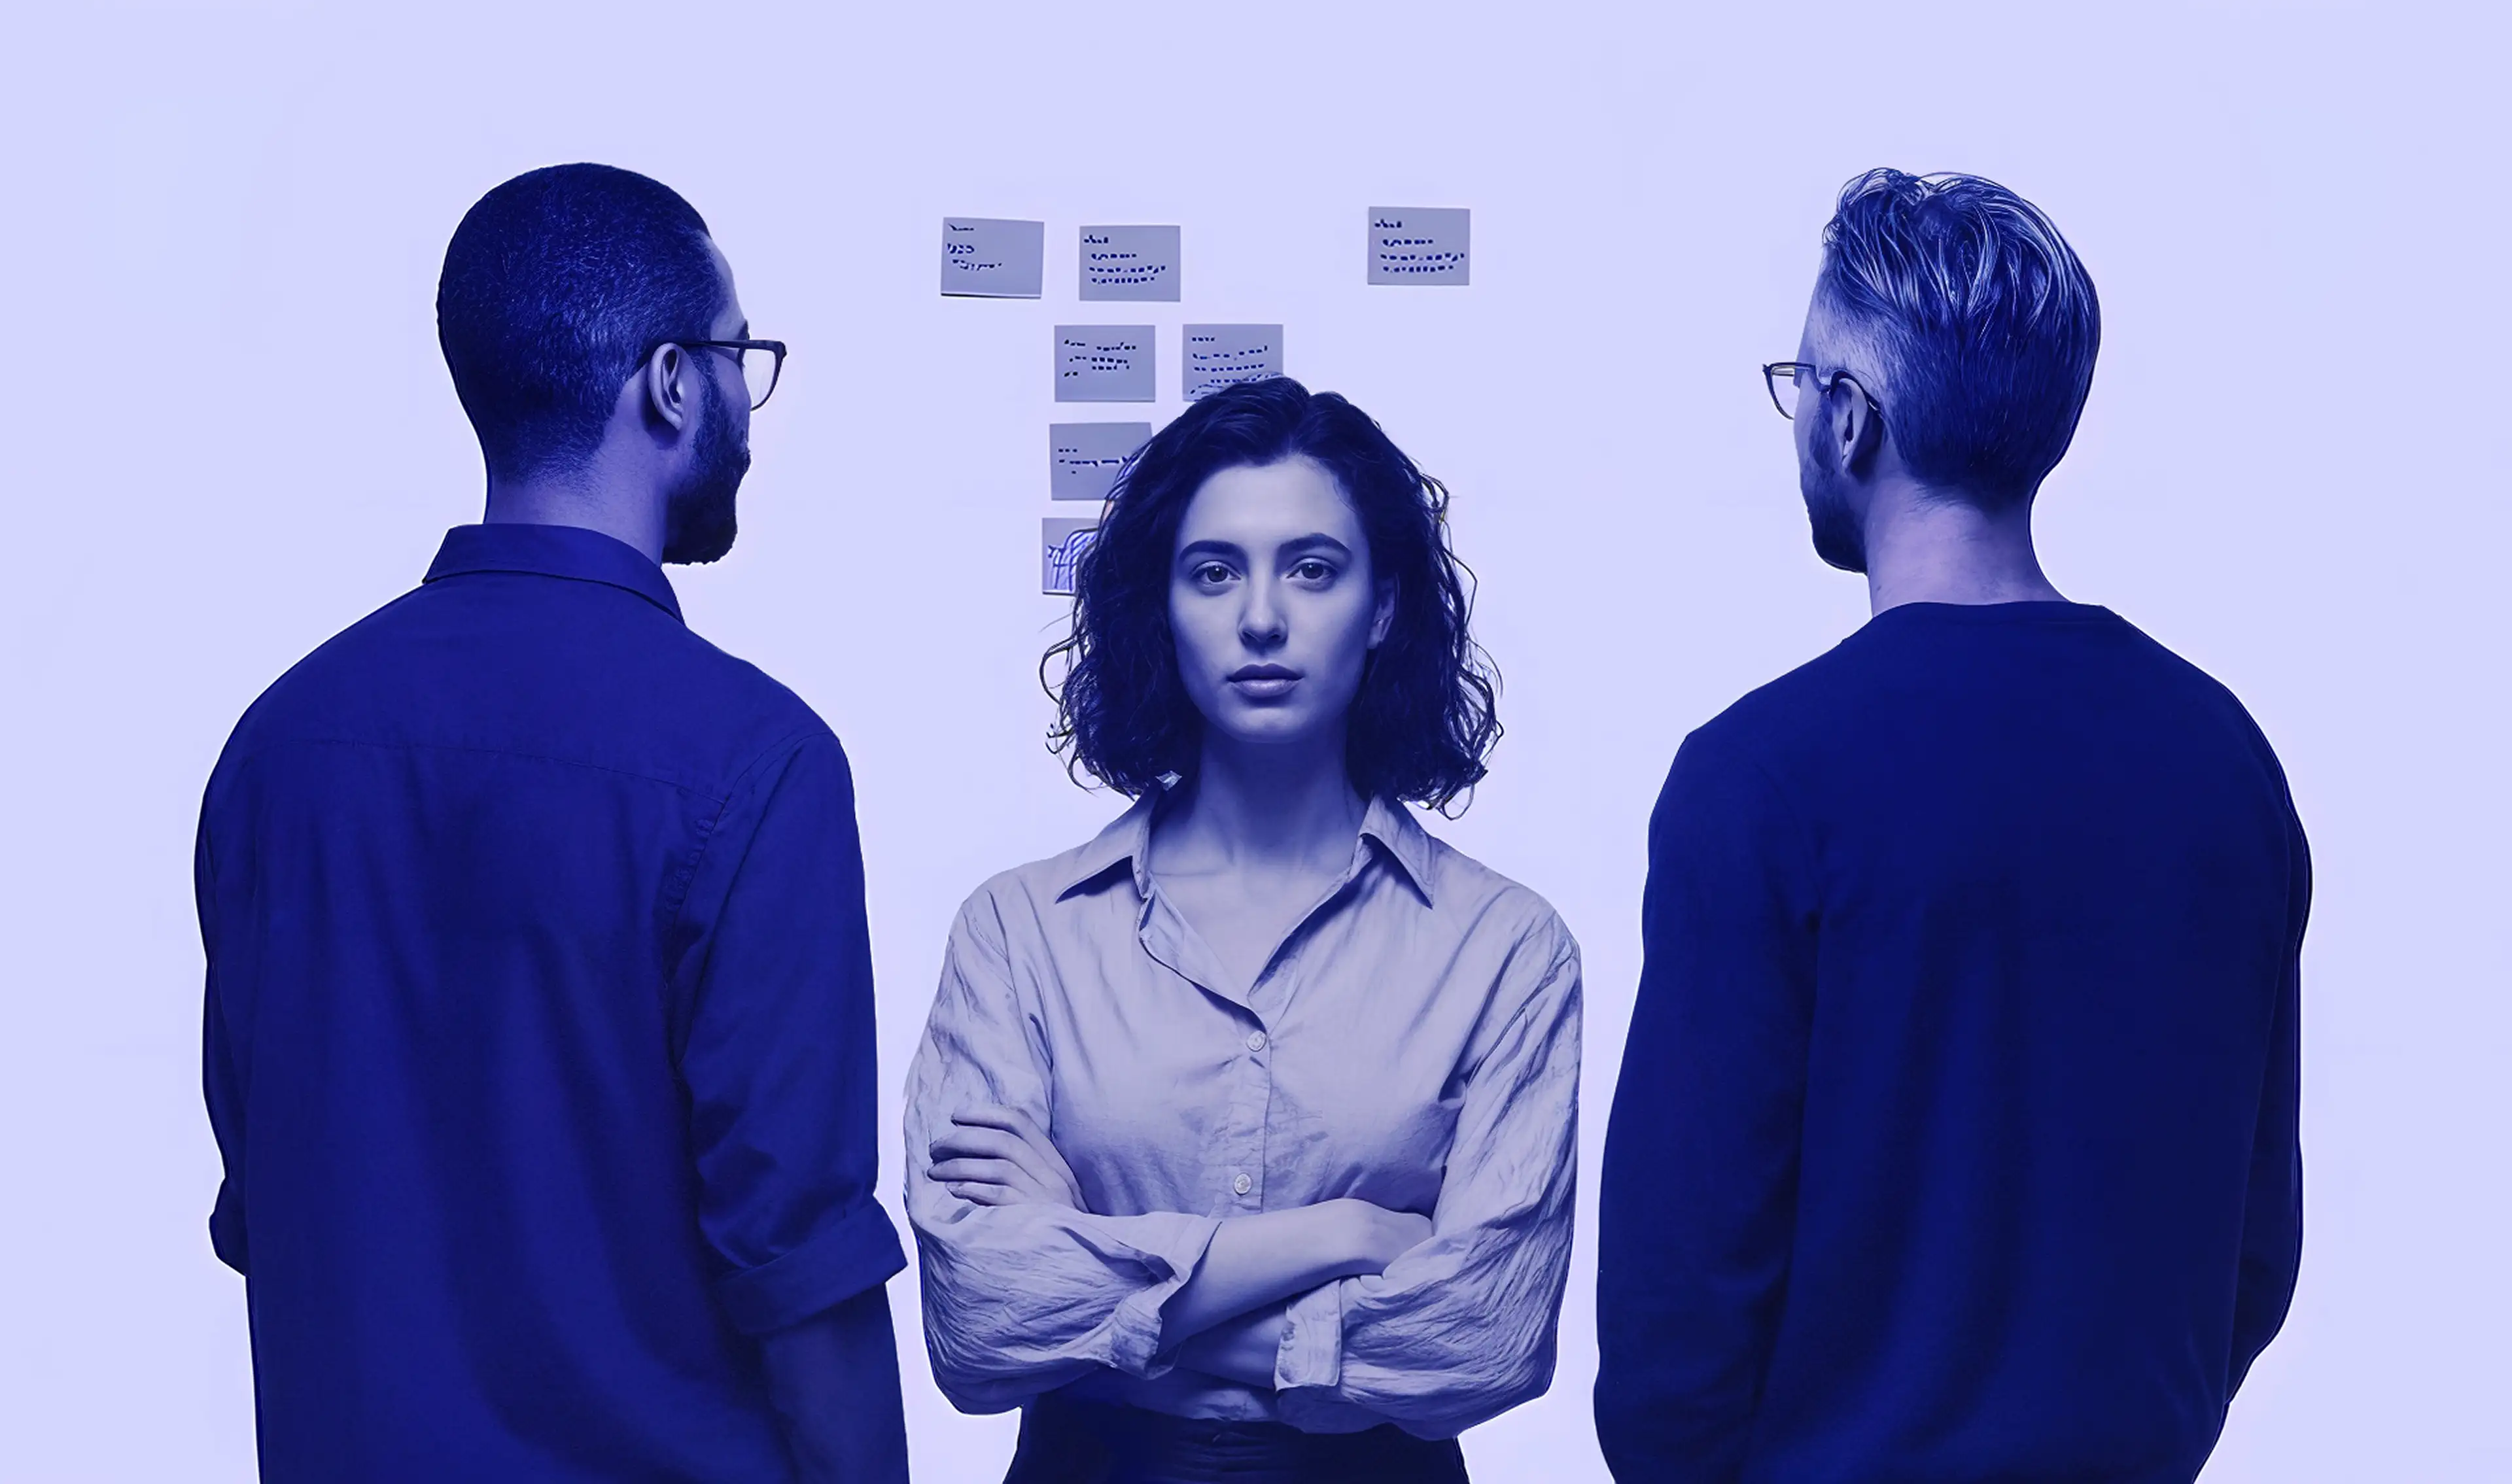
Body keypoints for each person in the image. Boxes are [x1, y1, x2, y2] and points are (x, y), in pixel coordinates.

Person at [194, 164, 909, 1482]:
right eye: (740, 359)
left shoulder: (275, 749)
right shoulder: (757, 762)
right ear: (673, 384)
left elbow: (275, 1205)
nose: (748, 405)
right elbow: (803, 1272)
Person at [1592, 169, 2309, 1483]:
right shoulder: (2223, 757)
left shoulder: (1762, 777)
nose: (1798, 415)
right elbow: (2253, 1252)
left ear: (1852, 423)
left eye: (1800, 385)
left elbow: (1676, 1304)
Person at [904, 379, 1582, 1483]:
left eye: (1312, 569)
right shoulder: (1018, 931)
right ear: (1159, 609)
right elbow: (980, 1328)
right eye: (1213, 572)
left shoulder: (1505, 945)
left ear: (1384, 607)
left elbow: (1486, 1342)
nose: (1260, 617)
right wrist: (1344, 1239)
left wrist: (1102, 1293)